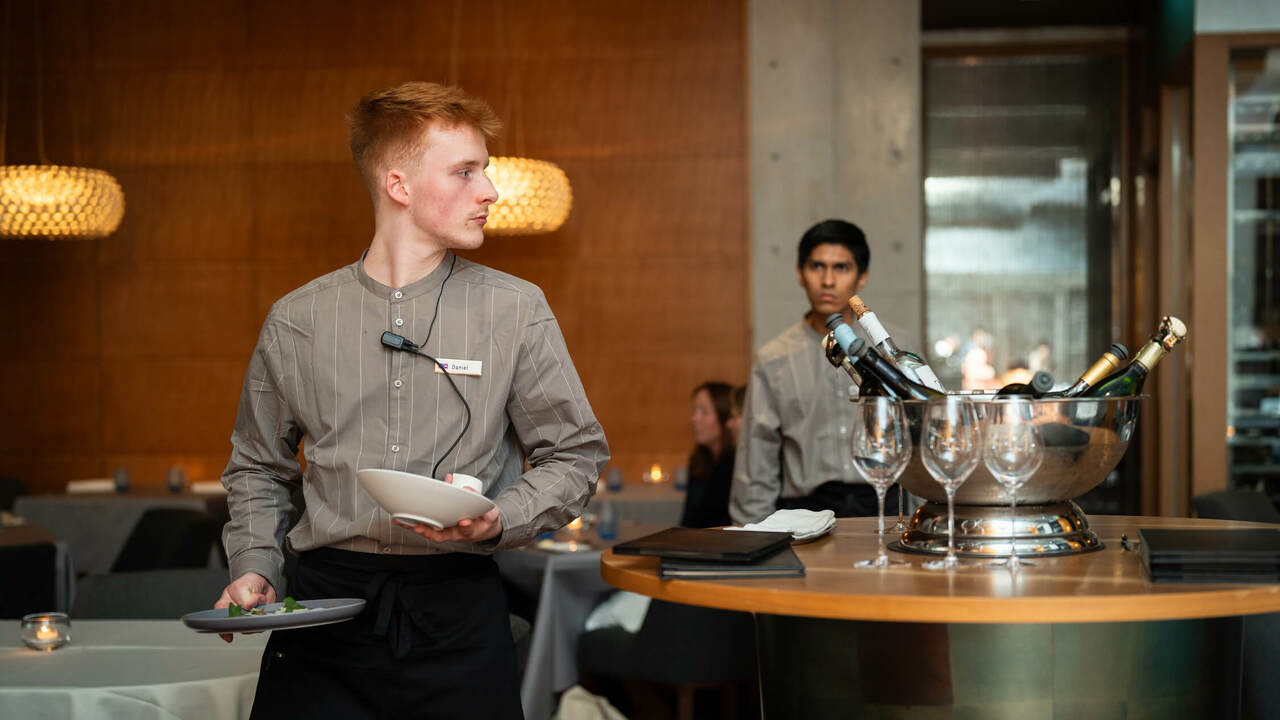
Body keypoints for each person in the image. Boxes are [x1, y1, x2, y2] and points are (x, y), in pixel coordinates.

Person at [215, 81, 609, 718]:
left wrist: (499, 517)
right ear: (398, 185)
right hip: (321, 620)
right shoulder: (298, 319)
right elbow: (258, 466)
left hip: (458, 614)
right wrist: (254, 565)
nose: (490, 192)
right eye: (465, 172)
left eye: (486, 170)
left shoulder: (517, 309)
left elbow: (576, 455)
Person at [729, 219, 901, 524]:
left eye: (842, 268)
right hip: (802, 512)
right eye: (817, 266)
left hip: (887, 506)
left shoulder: (893, 350)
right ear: (800, 273)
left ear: (862, 277)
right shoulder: (773, 359)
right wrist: (752, 538)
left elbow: (918, 440)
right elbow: (757, 463)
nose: (828, 281)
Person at [679, 381, 735, 529]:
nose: (694, 419)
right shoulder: (698, 460)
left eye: (704, 412)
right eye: (694, 411)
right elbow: (688, 521)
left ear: (726, 418)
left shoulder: (735, 465)